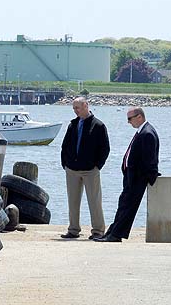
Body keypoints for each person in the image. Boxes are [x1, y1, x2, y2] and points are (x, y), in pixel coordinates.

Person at [94, 107, 160, 242]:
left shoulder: (147, 133)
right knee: (123, 204)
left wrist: (147, 176)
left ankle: (116, 235)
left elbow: (150, 159)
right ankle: (112, 232)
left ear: (139, 117)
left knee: (128, 207)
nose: (128, 122)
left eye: (130, 118)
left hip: (137, 178)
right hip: (131, 177)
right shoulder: (142, 131)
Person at [60, 96, 110, 239]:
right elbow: (65, 145)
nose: (75, 111)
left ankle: (98, 231)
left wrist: (97, 165)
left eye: (78, 108)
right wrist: (65, 163)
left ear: (86, 106)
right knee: (73, 201)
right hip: (72, 169)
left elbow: (105, 148)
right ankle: (73, 229)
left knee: (94, 201)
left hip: (90, 170)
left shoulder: (98, 125)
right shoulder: (73, 125)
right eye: (74, 108)